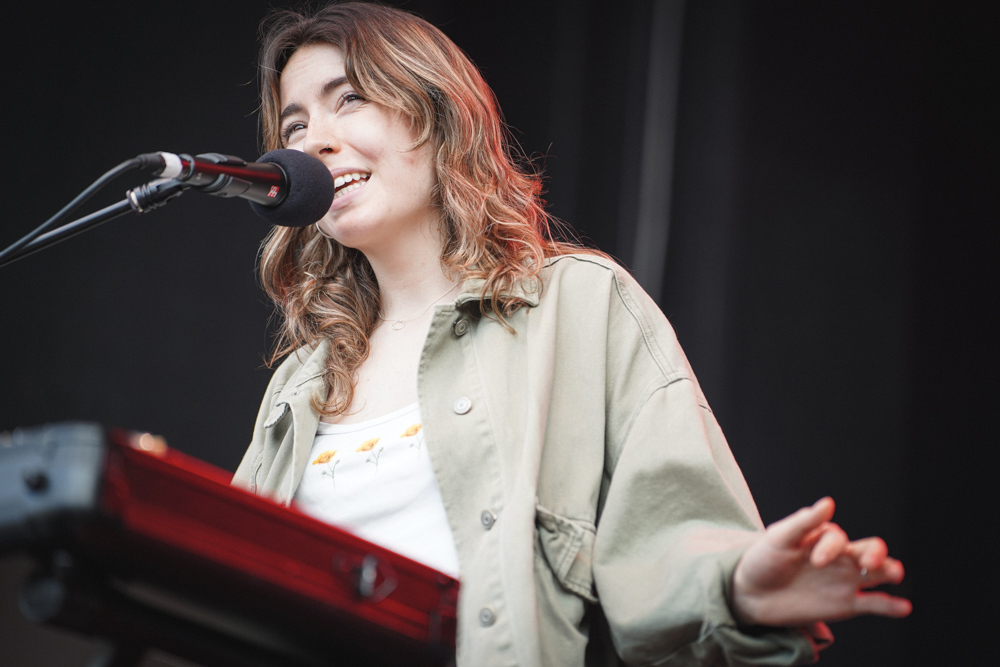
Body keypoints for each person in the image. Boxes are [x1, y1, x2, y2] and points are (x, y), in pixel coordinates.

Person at [232, 3, 911, 664]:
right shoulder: (301, 383)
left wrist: (733, 587)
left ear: (437, 115)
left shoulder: (581, 304)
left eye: (349, 99)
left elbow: (669, 538)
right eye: (296, 124)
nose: (313, 142)